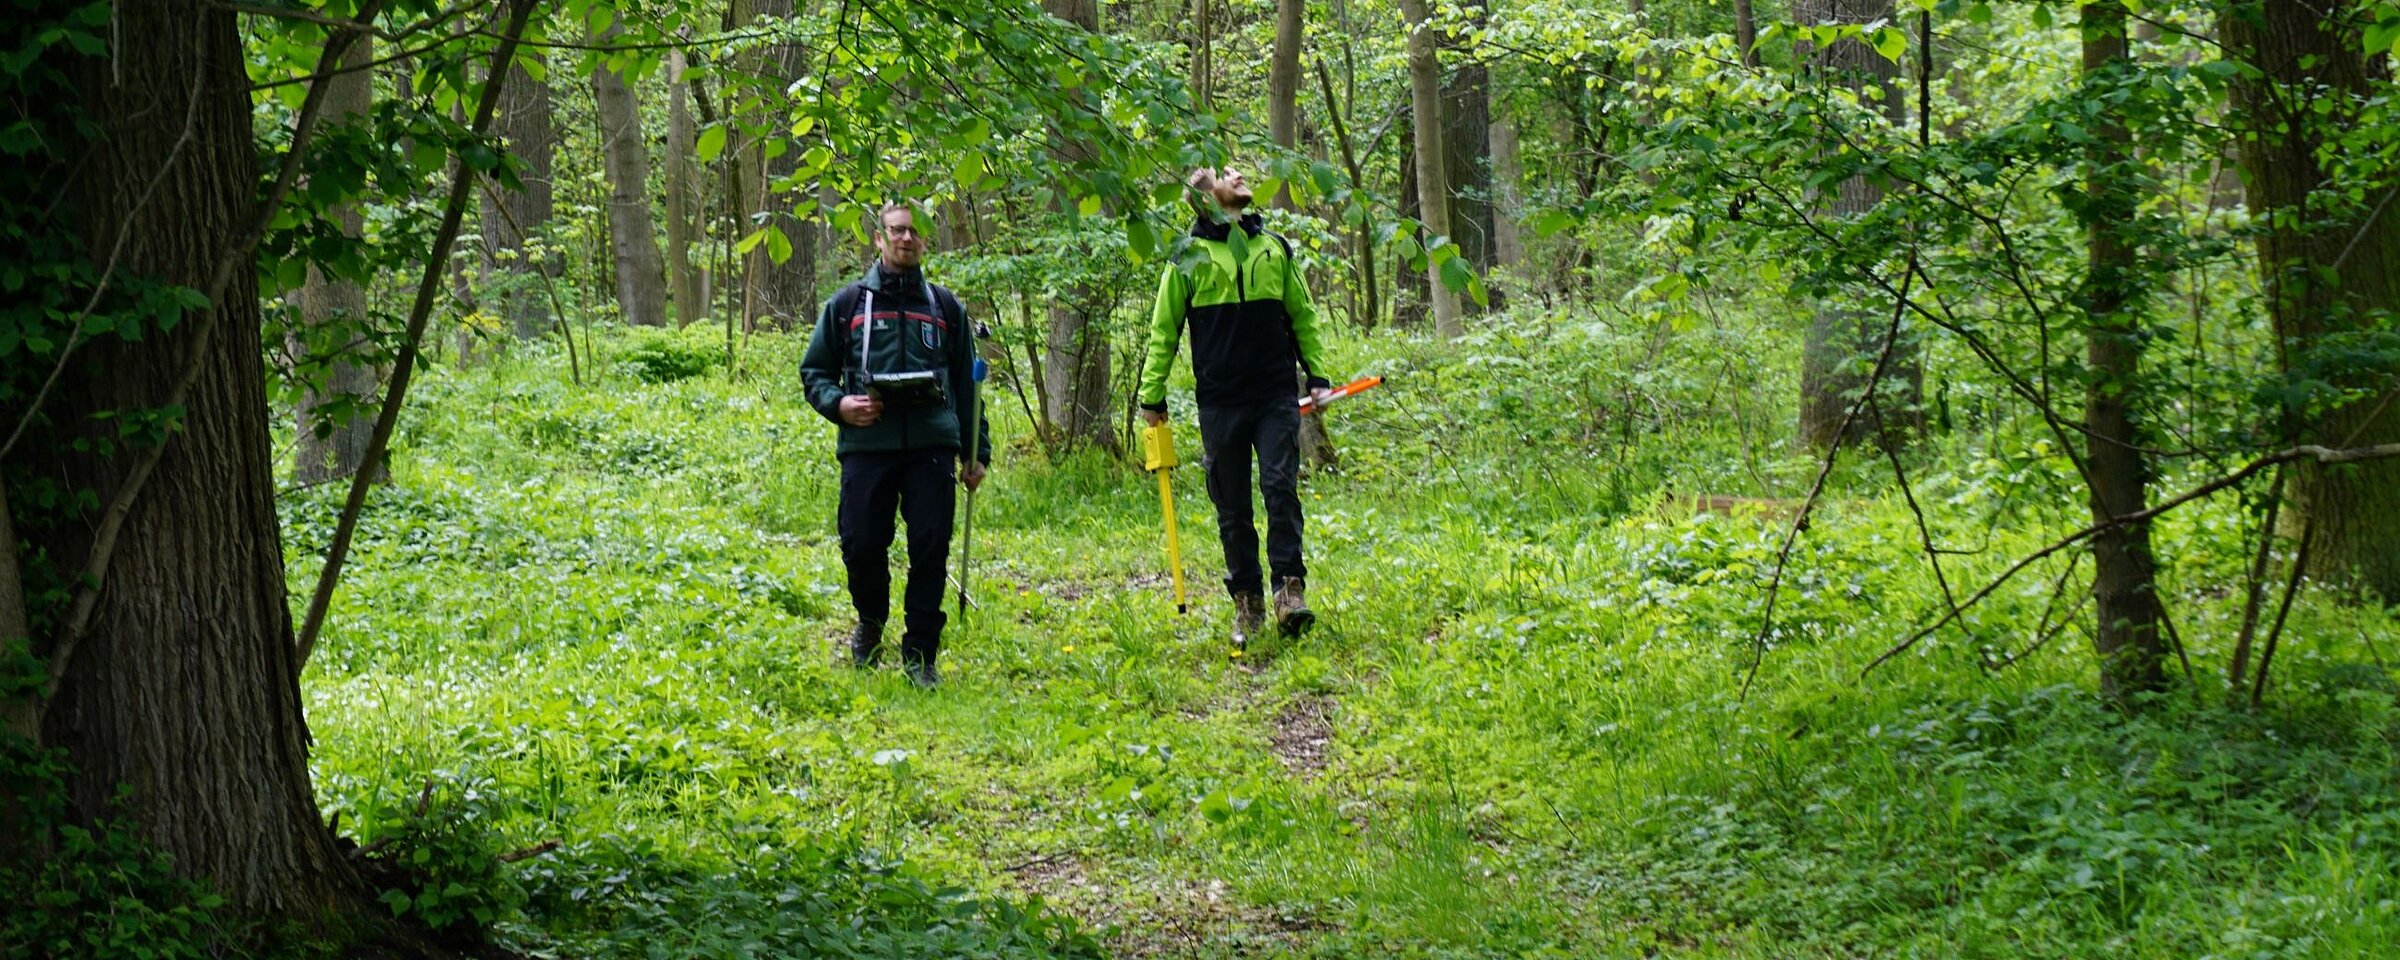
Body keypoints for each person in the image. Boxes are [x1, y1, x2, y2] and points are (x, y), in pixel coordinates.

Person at [1138, 165, 1335, 656]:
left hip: (1274, 395)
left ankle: (1290, 591)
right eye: (1225, 173)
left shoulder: (1274, 249)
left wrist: (1317, 372)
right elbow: (1165, 329)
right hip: (1220, 401)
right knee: (1232, 505)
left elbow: (1302, 314)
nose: (1239, 174)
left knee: (1279, 487)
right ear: (1205, 198)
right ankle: (1246, 601)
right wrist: (1152, 395)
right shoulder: (1186, 258)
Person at [800, 202, 990, 688]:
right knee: (862, 543)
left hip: (931, 445)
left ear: (926, 241)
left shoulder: (945, 307)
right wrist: (841, 406)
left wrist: (976, 453)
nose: (906, 239)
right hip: (867, 445)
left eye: (915, 233)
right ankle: (871, 624)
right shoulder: (847, 306)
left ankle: (921, 653)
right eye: (897, 231)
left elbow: (970, 387)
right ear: (879, 239)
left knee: (930, 548)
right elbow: (815, 372)